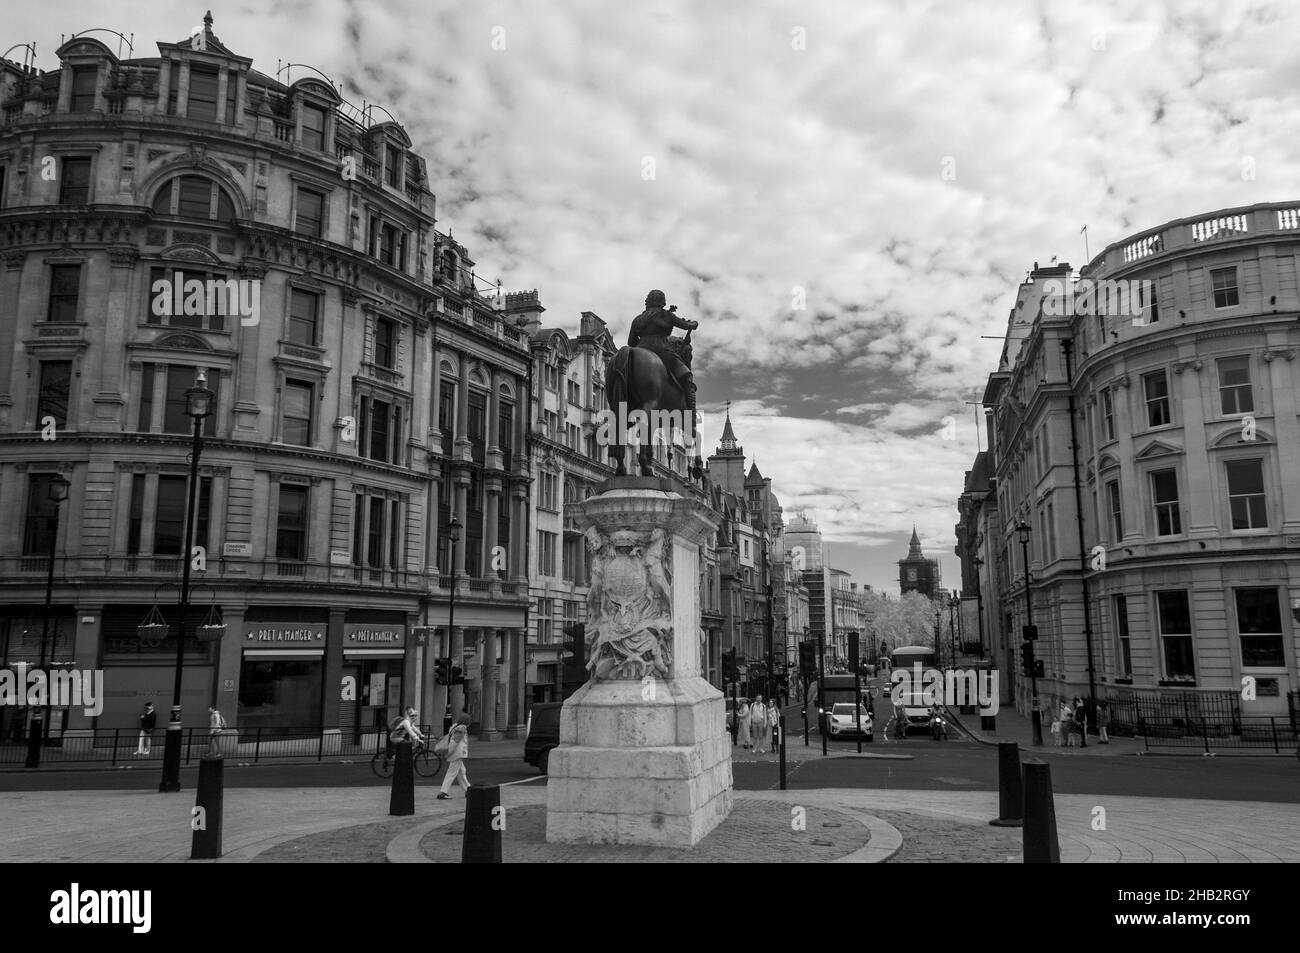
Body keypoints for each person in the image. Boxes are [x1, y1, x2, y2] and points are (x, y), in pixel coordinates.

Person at [627, 289, 699, 417]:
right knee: (687, 377)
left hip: (639, 350)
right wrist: (694, 323)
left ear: (647, 302)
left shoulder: (638, 319)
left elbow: (631, 342)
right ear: (662, 302)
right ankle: (692, 416)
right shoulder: (666, 315)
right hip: (664, 351)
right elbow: (686, 325)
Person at [437, 722, 470, 799]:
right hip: (457, 754)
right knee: (451, 773)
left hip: (456, 754)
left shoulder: (455, 727)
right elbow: (455, 742)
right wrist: (448, 753)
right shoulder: (461, 729)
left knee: (461, 771)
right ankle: (443, 792)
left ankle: (468, 789)